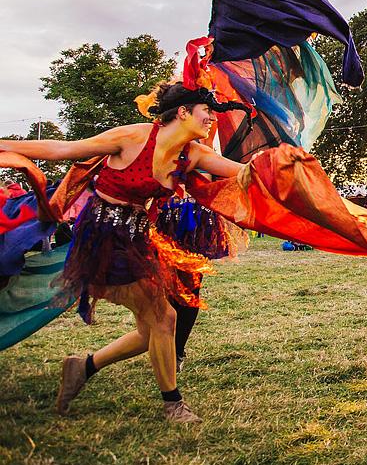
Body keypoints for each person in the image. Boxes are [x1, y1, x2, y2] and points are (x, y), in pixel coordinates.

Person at [0, 82, 247, 422]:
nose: (211, 120)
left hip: (139, 238)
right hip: (102, 236)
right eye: (207, 112)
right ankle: (172, 405)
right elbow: (63, 149)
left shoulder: (194, 155)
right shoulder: (133, 137)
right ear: (184, 112)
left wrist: (280, 163)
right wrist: (3, 145)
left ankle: (83, 367)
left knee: (150, 331)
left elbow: (243, 174)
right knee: (164, 318)